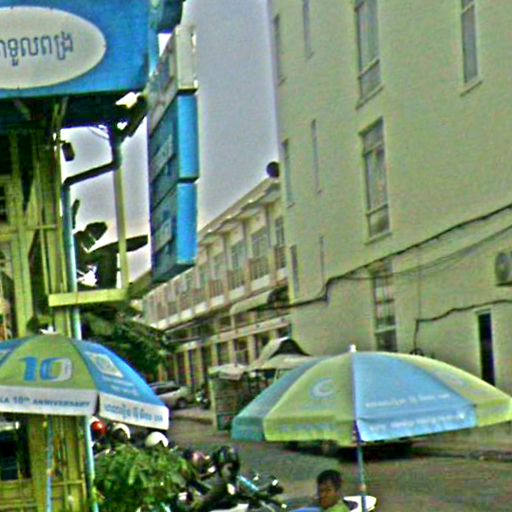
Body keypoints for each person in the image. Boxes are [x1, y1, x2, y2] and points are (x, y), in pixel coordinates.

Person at [191, 446, 240, 512]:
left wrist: (230, 484)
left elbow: (225, 472)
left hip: (225, 497)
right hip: (226, 495)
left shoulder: (224, 469)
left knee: (199, 505)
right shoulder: (218, 466)